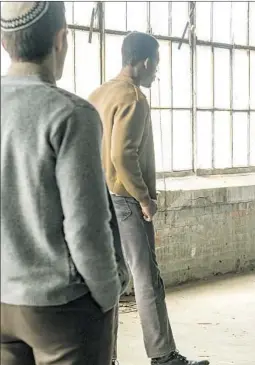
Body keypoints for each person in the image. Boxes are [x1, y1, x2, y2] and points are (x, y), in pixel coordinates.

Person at [0, 2, 129, 364]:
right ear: (61, 40)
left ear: (4, 43)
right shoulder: (71, 114)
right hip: (59, 306)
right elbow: (86, 227)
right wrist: (107, 294)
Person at [88, 32, 209, 365]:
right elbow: (123, 155)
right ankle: (164, 356)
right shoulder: (134, 98)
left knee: (110, 279)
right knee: (146, 279)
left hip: (98, 199)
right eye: (156, 64)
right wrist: (144, 198)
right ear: (145, 62)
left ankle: (103, 356)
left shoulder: (98, 94)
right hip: (125, 199)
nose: (157, 72)